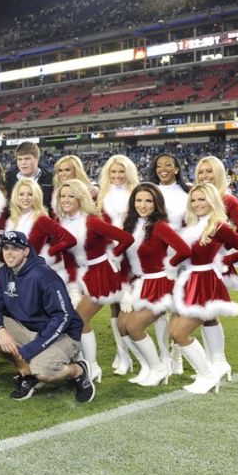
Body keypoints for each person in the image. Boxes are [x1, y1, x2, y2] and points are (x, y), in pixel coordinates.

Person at [0, 230, 94, 402]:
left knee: (44, 371)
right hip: (29, 329)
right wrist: (0, 330)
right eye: (6, 248)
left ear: (26, 251)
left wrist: (30, 350)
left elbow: (63, 317)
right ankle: (27, 373)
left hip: (61, 334)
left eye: (15, 248)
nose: (9, 252)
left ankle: (79, 370)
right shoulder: (3, 274)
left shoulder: (44, 275)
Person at [169, 184, 238, 394]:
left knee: (179, 332)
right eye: (194, 200)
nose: (197, 204)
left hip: (206, 282)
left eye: (202, 200)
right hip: (191, 279)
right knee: (206, 321)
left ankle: (207, 375)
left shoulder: (219, 226)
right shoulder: (193, 224)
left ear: (212, 201)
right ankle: (220, 364)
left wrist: (223, 259)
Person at [52, 179, 135, 384]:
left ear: (81, 198)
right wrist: (72, 287)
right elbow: (68, 257)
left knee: (79, 320)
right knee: (73, 320)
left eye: (71, 196)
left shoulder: (92, 221)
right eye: (63, 196)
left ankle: (92, 366)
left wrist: (111, 257)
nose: (66, 200)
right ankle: (84, 364)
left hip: (100, 275)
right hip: (80, 277)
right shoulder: (60, 222)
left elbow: (126, 238)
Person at [116, 184, 191, 387]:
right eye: (139, 200)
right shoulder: (130, 225)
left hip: (159, 284)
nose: (143, 205)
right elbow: (124, 260)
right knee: (122, 326)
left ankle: (159, 368)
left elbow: (184, 250)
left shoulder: (160, 226)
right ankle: (147, 366)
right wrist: (125, 290)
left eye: (148, 201)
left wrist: (169, 268)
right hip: (136, 283)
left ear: (156, 204)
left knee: (134, 326)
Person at [193, 156, 238, 378]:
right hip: (197, 264)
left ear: (219, 173)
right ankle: (213, 362)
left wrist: (223, 248)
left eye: (209, 171)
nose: (205, 175)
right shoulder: (198, 198)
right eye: (201, 172)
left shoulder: (227, 199)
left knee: (207, 312)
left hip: (213, 266)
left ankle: (218, 362)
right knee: (205, 313)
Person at [96, 155, 140, 375]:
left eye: (121, 172)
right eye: (113, 172)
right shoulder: (102, 194)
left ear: (128, 172)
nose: (117, 176)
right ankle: (122, 354)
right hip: (110, 253)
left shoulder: (137, 193)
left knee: (136, 303)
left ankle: (160, 354)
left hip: (133, 252)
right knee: (114, 304)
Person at [5, 178, 75, 264]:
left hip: (34, 272)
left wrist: (48, 253)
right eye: (21, 194)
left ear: (36, 196)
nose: (25, 198)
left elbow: (70, 240)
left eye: (30, 194)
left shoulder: (41, 219)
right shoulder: (12, 219)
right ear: (16, 196)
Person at [151, 152, 190, 229]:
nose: (163, 169)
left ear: (176, 169)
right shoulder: (149, 191)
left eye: (168, 165)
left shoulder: (188, 191)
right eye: (159, 166)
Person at [13, 142, 53, 212]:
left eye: (27, 159)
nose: (23, 163)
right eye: (19, 159)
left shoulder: (51, 180)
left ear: (37, 159)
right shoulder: (9, 180)